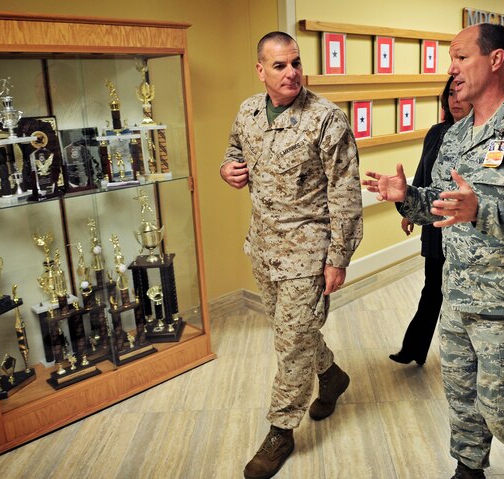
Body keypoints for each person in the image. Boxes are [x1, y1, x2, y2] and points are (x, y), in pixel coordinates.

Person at [363, 23, 504, 479]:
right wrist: (407, 197)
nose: (451, 68)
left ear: (495, 60)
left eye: (461, 57)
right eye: (451, 59)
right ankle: (469, 468)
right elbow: (439, 206)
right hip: (456, 295)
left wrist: (483, 210)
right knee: (461, 401)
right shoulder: (455, 137)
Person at [220, 31, 363, 479]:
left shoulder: (326, 119)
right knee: (294, 334)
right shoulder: (247, 111)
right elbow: (232, 153)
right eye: (280, 66)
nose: (292, 73)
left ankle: (281, 428)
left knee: (290, 342)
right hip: (263, 248)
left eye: (296, 63)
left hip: (307, 252)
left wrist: (338, 258)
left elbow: (346, 194)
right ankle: (332, 376)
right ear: (260, 70)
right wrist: (227, 168)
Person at [390, 76, 473, 367]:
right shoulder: (437, 132)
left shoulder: (477, 134)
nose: (455, 100)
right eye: (450, 94)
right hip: (435, 222)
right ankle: (414, 347)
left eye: (460, 93)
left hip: (464, 229)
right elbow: (423, 174)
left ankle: (461, 355)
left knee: (455, 292)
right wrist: (411, 210)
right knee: (432, 285)